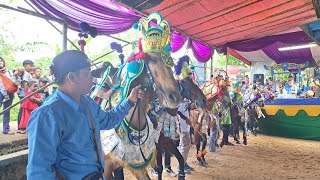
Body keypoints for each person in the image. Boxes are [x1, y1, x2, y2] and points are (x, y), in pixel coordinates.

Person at [27, 50, 144, 179]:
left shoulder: (87, 103)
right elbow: (39, 172)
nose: (92, 79)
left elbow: (109, 120)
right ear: (72, 77)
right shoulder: (47, 116)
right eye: (87, 73)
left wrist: (129, 101)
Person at [0, 57, 17, 135]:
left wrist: (15, 75)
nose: (0, 62)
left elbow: (12, 81)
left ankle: (6, 129)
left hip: (9, 92)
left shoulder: (9, 72)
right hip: (0, 92)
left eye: (1, 61)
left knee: (7, 110)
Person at [17, 59, 34, 131]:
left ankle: (22, 125)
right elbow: (25, 84)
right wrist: (27, 95)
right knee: (22, 109)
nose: (32, 67)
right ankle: (20, 126)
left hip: (24, 94)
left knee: (23, 109)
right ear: (25, 66)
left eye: (32, 66)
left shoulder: (27, 73)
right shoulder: (26, 74)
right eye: (30, 66)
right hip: (24, 94)